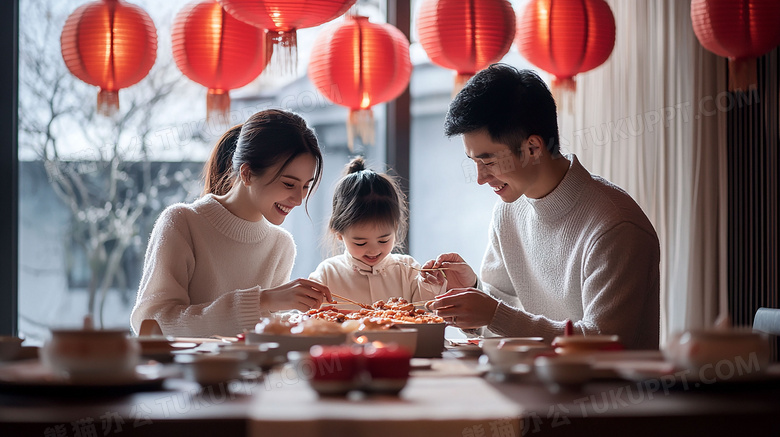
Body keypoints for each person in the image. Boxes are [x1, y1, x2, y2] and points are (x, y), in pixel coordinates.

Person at [423, 64, 660, 350]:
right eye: (473, 162)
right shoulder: (509, 212)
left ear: (533, 149)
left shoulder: (615, 227)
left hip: (605, 393)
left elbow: (603, 344)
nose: (480, 178)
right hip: (529, 388)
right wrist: (471, 291)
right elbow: (503, 322)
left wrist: (495, 314)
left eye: (488, 162)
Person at [130, 109, 332, 337]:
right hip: (185, 373)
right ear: (246, 174)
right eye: (288, 184)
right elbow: (151, 324)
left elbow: (262, 338)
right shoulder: (182, 223)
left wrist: (305, 320)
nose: (298, 199)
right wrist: (262, 300)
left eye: (306, 186)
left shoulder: (281, 245)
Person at [309, 157, 444, 306]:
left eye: (383, 240)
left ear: (396, 227)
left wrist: (431, 285)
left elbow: (427, 313)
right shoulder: (327, 274)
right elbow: (308, 320)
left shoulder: (408, 270)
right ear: (339, 233)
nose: (373, 250)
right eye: (360, 243)